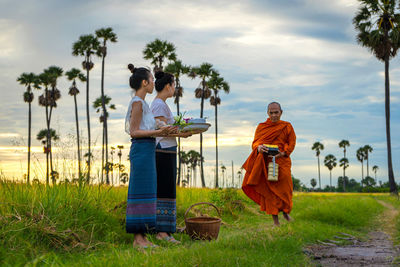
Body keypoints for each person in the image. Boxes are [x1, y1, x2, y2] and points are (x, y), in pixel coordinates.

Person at [125, 64, 176, 248]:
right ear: (145, 82)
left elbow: (147, 127)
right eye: (152, 80)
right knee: (139, 193)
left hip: (147, 150)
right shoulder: (137, 102)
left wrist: (162, 129)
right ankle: (138, 239)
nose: (154, 83)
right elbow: (134, 131)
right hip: (141, 150)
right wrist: (155, 133)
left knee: (147, 194)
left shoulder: (143, 103)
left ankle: (143, 237)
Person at [150, 71, 191, 243]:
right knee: (165, 189)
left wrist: (183, 129)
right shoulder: (159, 104)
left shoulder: (161, 104)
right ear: (168, 86)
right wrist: (182, 133)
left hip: (167, 149)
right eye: (174, 85)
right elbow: (161, 128)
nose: (174, 88)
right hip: (163, 150)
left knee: (167, 188)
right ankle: (162, 232)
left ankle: (166, 230)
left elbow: (166, 126)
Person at [242, 102, 296, 226]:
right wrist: (259, 148)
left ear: (281, 112)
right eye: (271, 113)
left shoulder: (287, 126)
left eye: (276, 112)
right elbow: (255, 143)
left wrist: (282, 153)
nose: (274, 115)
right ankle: (275, 220)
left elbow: (291, 143)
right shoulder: (262, 127)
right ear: (267, 113)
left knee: (286, 189)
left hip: (282, 161)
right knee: (271, 191)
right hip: (267, 162)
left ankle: (286, 213)